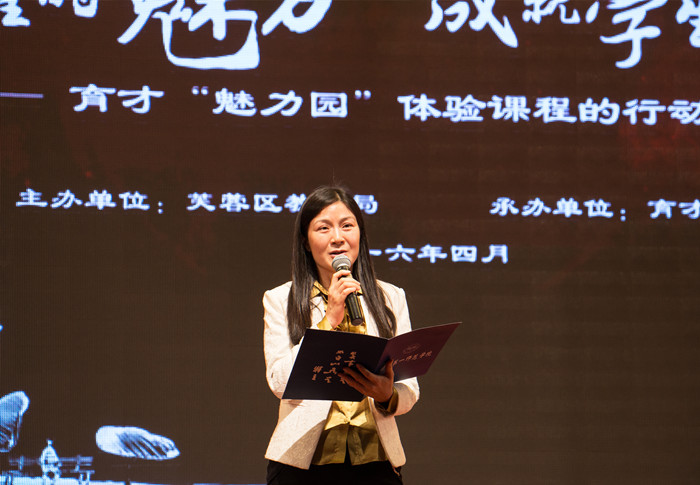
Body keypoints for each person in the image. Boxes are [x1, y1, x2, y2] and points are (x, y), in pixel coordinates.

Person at [263, 186, 420, 485]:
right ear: (306, 241)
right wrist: (328, 320)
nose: (337, 237)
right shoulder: (280, 299)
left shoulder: (390, 297)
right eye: (324, 228)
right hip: (302, 467)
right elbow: (279, 383)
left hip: (376, 464)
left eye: (347, 226)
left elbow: (410, 388)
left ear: (360, 234)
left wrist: (387, 396)